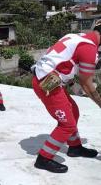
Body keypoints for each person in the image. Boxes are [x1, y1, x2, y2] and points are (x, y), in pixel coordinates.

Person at [32, 20, 101, 173]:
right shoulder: (89, 48)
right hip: (48, 83)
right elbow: (86, 84)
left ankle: (75, 147)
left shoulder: (77, 37)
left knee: (73, 111)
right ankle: (43, 159)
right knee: (67, 124)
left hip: (48, 78)